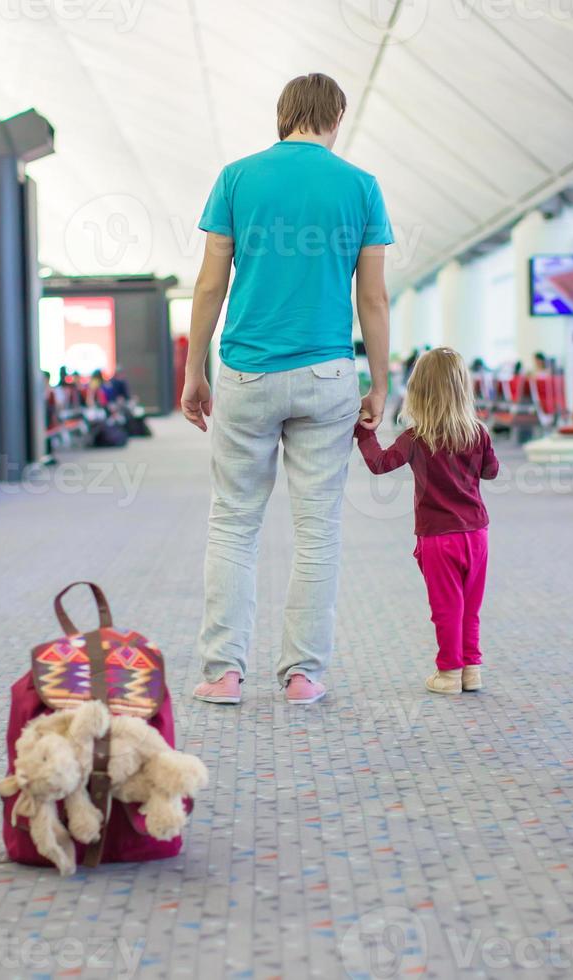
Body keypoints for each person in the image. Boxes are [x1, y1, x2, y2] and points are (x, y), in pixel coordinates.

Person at [182, 72, 393, 705]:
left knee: (232, 525)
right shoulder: (361, 187)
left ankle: (223, 673)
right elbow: (373, 298)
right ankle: (303, 674)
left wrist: (195, 371)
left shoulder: (238, 178)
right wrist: (379, 383)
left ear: (283, 116)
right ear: (335, 118)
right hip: (328, 373)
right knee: (317, 528)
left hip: (246, 371)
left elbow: (208, 287)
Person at [354, 348, 499, 695]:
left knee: (447, 608)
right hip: (476, 534)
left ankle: (448, 673)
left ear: (417, 392)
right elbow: (491, 472)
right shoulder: (478, 433)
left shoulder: (417, 438)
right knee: (470, 607)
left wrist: (363, 433)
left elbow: (380, 463)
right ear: (464, 389)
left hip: (439, 538)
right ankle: (471, 669)